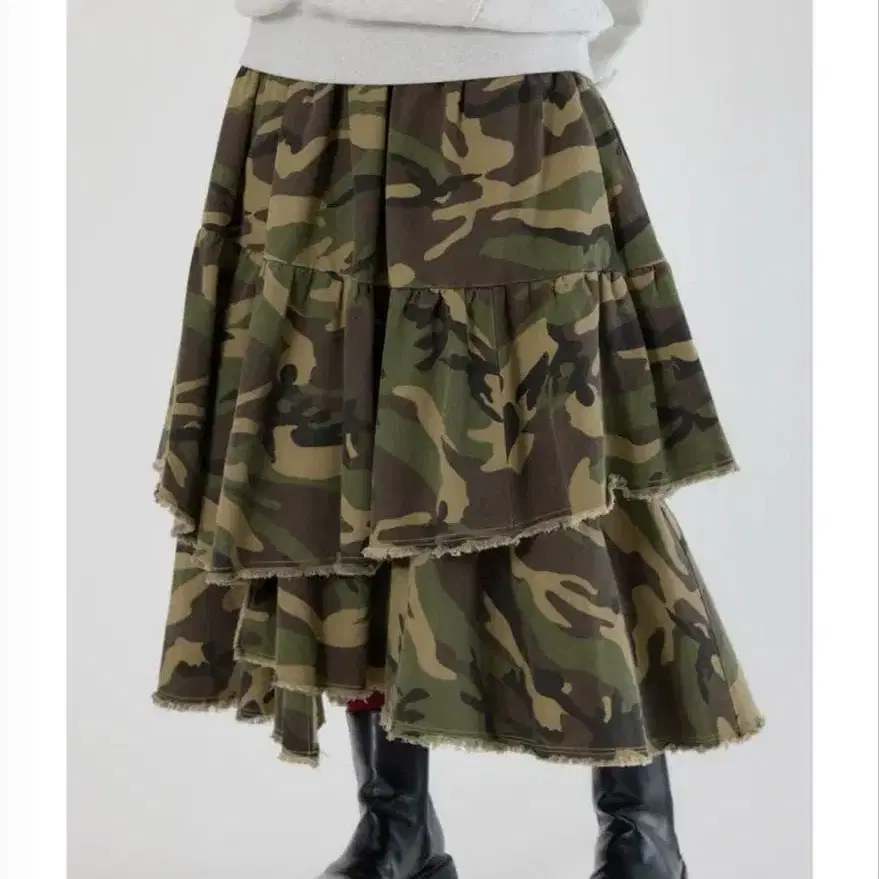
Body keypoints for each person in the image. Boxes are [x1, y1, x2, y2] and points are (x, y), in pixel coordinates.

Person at [153, 2, 765, 877]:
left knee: (570, 466)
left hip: (513, 95)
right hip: (311, 99)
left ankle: (640, 829)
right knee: (337, 468)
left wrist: (545, 37)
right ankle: (395, 824)